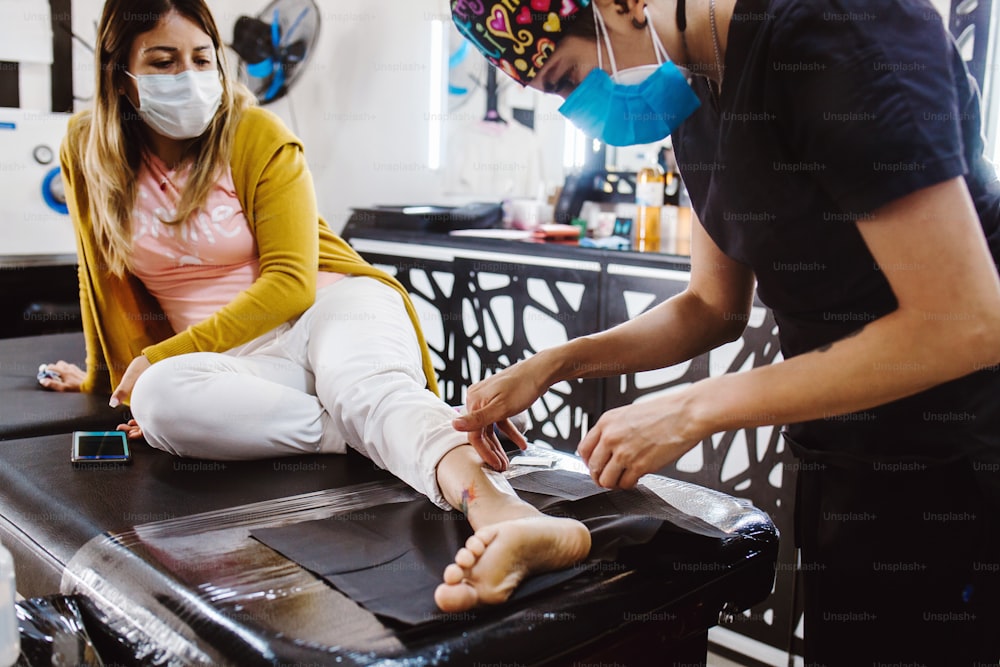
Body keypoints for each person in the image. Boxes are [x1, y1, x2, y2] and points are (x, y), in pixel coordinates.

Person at [451, 0, 1000, 663]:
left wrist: (690, 408)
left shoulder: (840, 28)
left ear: (622, 5)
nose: (583, 110)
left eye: (569, 79)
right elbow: (711, 306)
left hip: (962, 454)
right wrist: (550, 364)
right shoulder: (698, 91)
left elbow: (964, 322)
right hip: (842, 450)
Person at [39, 0, 591, 614]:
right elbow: (100, 275)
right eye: (162, 62)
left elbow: (292, 283)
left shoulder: (255, 134)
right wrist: (102, 373)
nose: (187, 77)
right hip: (243, 359)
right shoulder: (90, 148)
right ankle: (374, 427)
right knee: (160, 398)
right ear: (120, 74)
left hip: (330, 307)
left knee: (365, 387)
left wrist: (161, 352)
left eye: (202, 59)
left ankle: (506, 515)